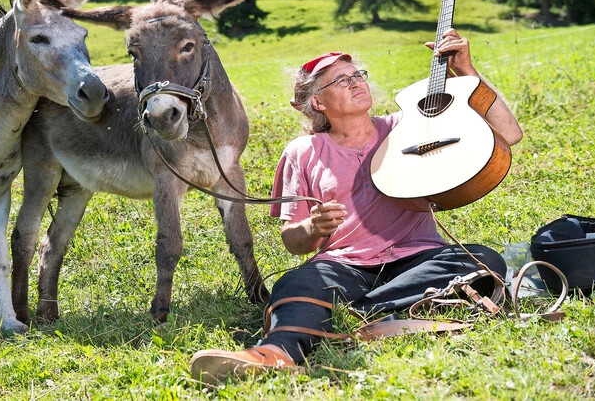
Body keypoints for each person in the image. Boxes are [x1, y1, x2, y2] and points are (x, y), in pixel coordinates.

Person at [190, 29, 523, 383]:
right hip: (343, 266)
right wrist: (312, 228)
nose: (355, 83)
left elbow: (509, 133)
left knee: (483, 260)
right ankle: (275, 353)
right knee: (296, 282)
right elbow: (292, 241)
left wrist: (467, 72)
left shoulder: (409, 128)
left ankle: (354, 314)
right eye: (340, 81)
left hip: (420, 258)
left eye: (357, 76)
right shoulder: (302, 152)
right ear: (317, 102)